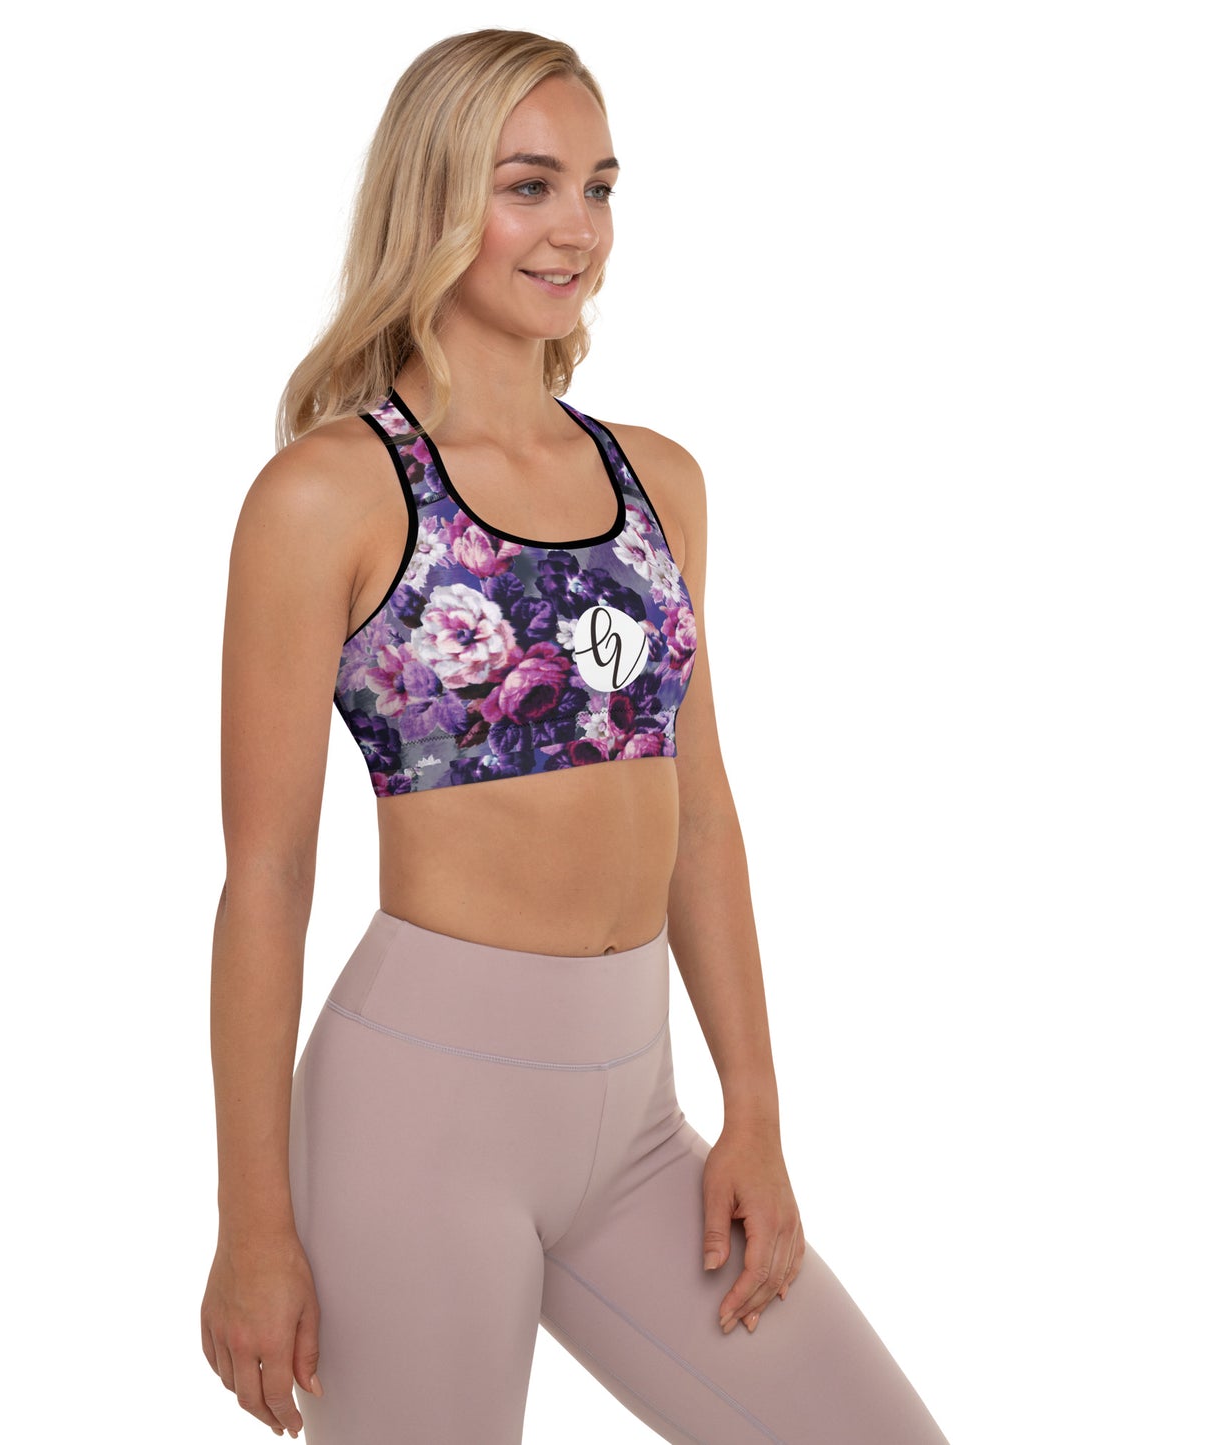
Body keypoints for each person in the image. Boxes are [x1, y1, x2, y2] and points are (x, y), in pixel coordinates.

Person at [200, 27, 951, 1445]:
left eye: (599, 188)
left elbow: (701, 817)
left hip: (639, 1121)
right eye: (528, 186)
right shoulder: (328, 495)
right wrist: (252, 1226)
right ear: (435, 200)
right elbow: (266, 880)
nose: (576, 230)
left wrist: (755, 1112)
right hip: (418, 1118)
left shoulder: (658, 480)